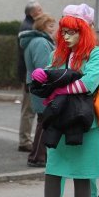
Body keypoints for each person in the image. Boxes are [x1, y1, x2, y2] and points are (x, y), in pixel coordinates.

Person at [29, 4, 99, 197]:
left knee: (82, 175)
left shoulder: (95, 53)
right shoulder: (58, 54)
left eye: (72, 32)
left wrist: (59, 87)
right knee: (53, 172)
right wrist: (41, 77)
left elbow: (90, 83)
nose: (66, 36)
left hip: (85, 124)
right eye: (63, 31)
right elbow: (50, 79)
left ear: (84, 31)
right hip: (61, 123)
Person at [21, 14, 57, 168]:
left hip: (35, 84)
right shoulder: (41, 42)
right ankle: (38, 157)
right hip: (42, 86)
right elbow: (43, 66)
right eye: (50, 26)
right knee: (44, 121)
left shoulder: (34, 41)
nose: (53, 29)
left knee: (42, 121)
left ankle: (37, 156)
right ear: (42, 27)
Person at [17, 0, 44, 152]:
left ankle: (25, 138)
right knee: (29, 109)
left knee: (28, 109)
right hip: (29, 75)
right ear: (32, 13)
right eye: (39, 10)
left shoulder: (27, 27)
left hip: (26, 74)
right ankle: (24, 140)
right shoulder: (30, 29)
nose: (42, 12)